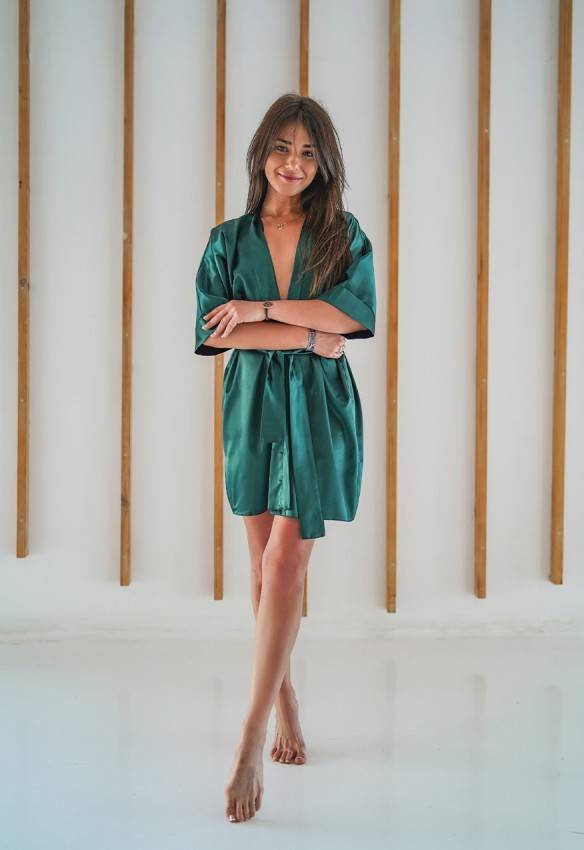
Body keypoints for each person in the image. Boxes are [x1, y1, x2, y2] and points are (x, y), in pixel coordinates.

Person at [194, 93, 376, 823]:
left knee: (284, 563)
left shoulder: (341, 234)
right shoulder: (227, 240)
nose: (293, 163)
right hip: (251, 405)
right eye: (281, 148)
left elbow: (352, 317)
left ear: (323, 163)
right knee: (259, 561)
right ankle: (285, 697)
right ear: (260, 153)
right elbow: (217, 332)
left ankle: (248, 736)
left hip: (319, 408)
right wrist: (304, 333)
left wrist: (263, 310)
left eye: (307, 152)